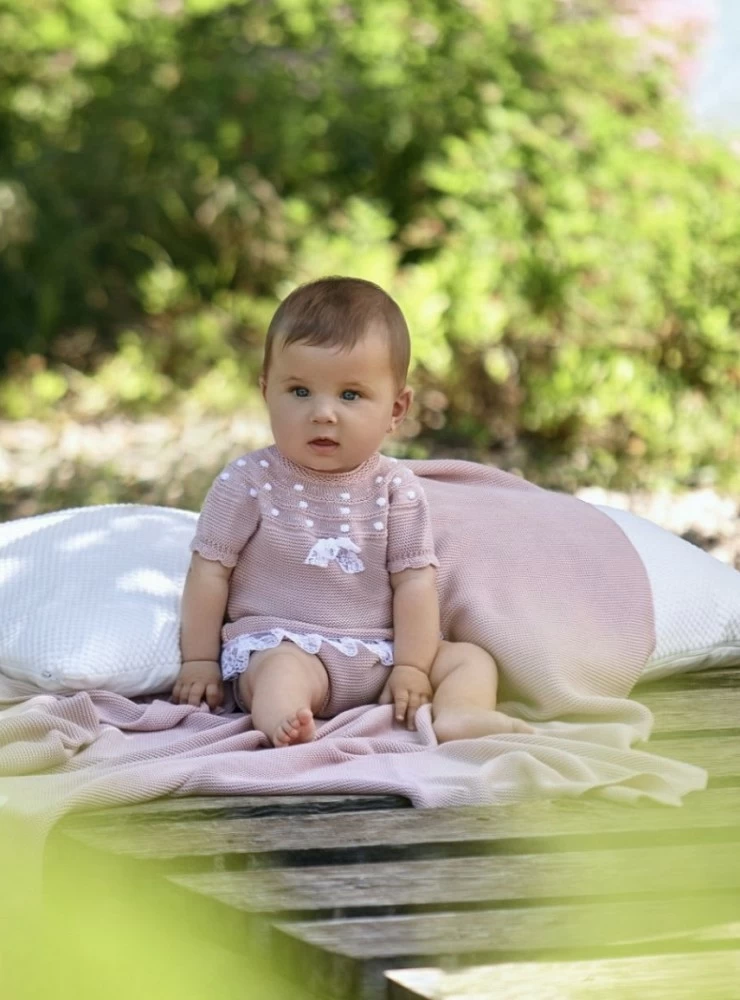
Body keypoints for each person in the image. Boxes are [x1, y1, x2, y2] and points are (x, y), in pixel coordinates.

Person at [172, 276, 532, 746]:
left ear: (396, 408)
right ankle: (287, 722)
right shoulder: (248, 481)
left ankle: (459, 715)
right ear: (266, 392)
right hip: (290, 641)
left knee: (471, 660)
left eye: (350, 395)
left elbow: (415, 583)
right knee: (277, 672)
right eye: (299, 391)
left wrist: (412, 666)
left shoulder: (396, 488)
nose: (323, 413)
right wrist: (198, 660)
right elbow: (209, 571)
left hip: (381, 653)